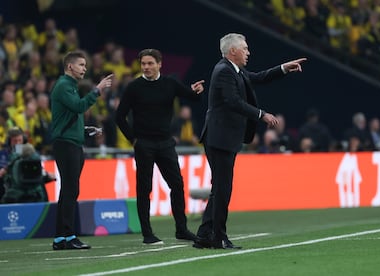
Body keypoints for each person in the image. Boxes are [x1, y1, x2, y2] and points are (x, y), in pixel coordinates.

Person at [193, 33, 306, 249]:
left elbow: (258, 77)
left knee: (219, 188)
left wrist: (284, 68)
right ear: (232, 51)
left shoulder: (234, 70)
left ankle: (205, 234)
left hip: (223, 137)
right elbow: (233, 101)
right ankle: (218, 237)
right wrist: (261, 114)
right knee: (223, 188)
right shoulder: (223, 71)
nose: (248, 52)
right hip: (219, 138)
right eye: (244, 48)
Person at [115, 48, 205, 245]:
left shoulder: (170, 83)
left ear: (159, 64)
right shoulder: (133, 87)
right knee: (144, 189)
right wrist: (133, 139)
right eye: (143, 64)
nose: (146, 67)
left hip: (165, 143)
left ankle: (181, 229)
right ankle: (147, 234)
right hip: (144, 144)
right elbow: (119, 116)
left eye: (150, 63)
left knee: (177, 185)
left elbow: (191, 96)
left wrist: (196, 91)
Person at [50, 51, 113, 250]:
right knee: (70, 189)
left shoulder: (69, 86)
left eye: (85, 65)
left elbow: (69, 116)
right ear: (70, 67)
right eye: (81, 65)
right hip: (66, 145)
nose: (85, 68)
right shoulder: (63, 86)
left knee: (70, 190)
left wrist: (84, 130)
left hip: (73, 143)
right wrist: (97, 90)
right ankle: (65, 236)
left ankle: (63, 237)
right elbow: (78, 107)